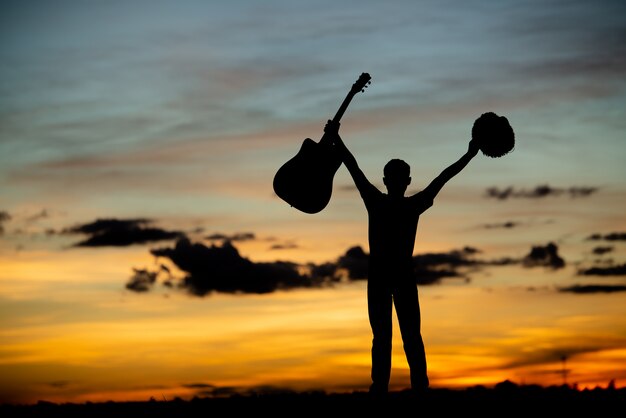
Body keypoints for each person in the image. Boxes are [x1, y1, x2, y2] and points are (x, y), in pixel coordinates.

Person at [324, 120, 480, 395]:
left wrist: (336, 137)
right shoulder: (411, 205)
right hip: (396, 277)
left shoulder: (378, 201)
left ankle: (385, 388)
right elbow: (443, 177)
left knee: (387, 338)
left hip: (384, 277)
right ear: (405, 181)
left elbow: (353, 166)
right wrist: (469, 154)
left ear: (389, 181)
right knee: (406, 338)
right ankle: (413, 388)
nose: (397, 182)